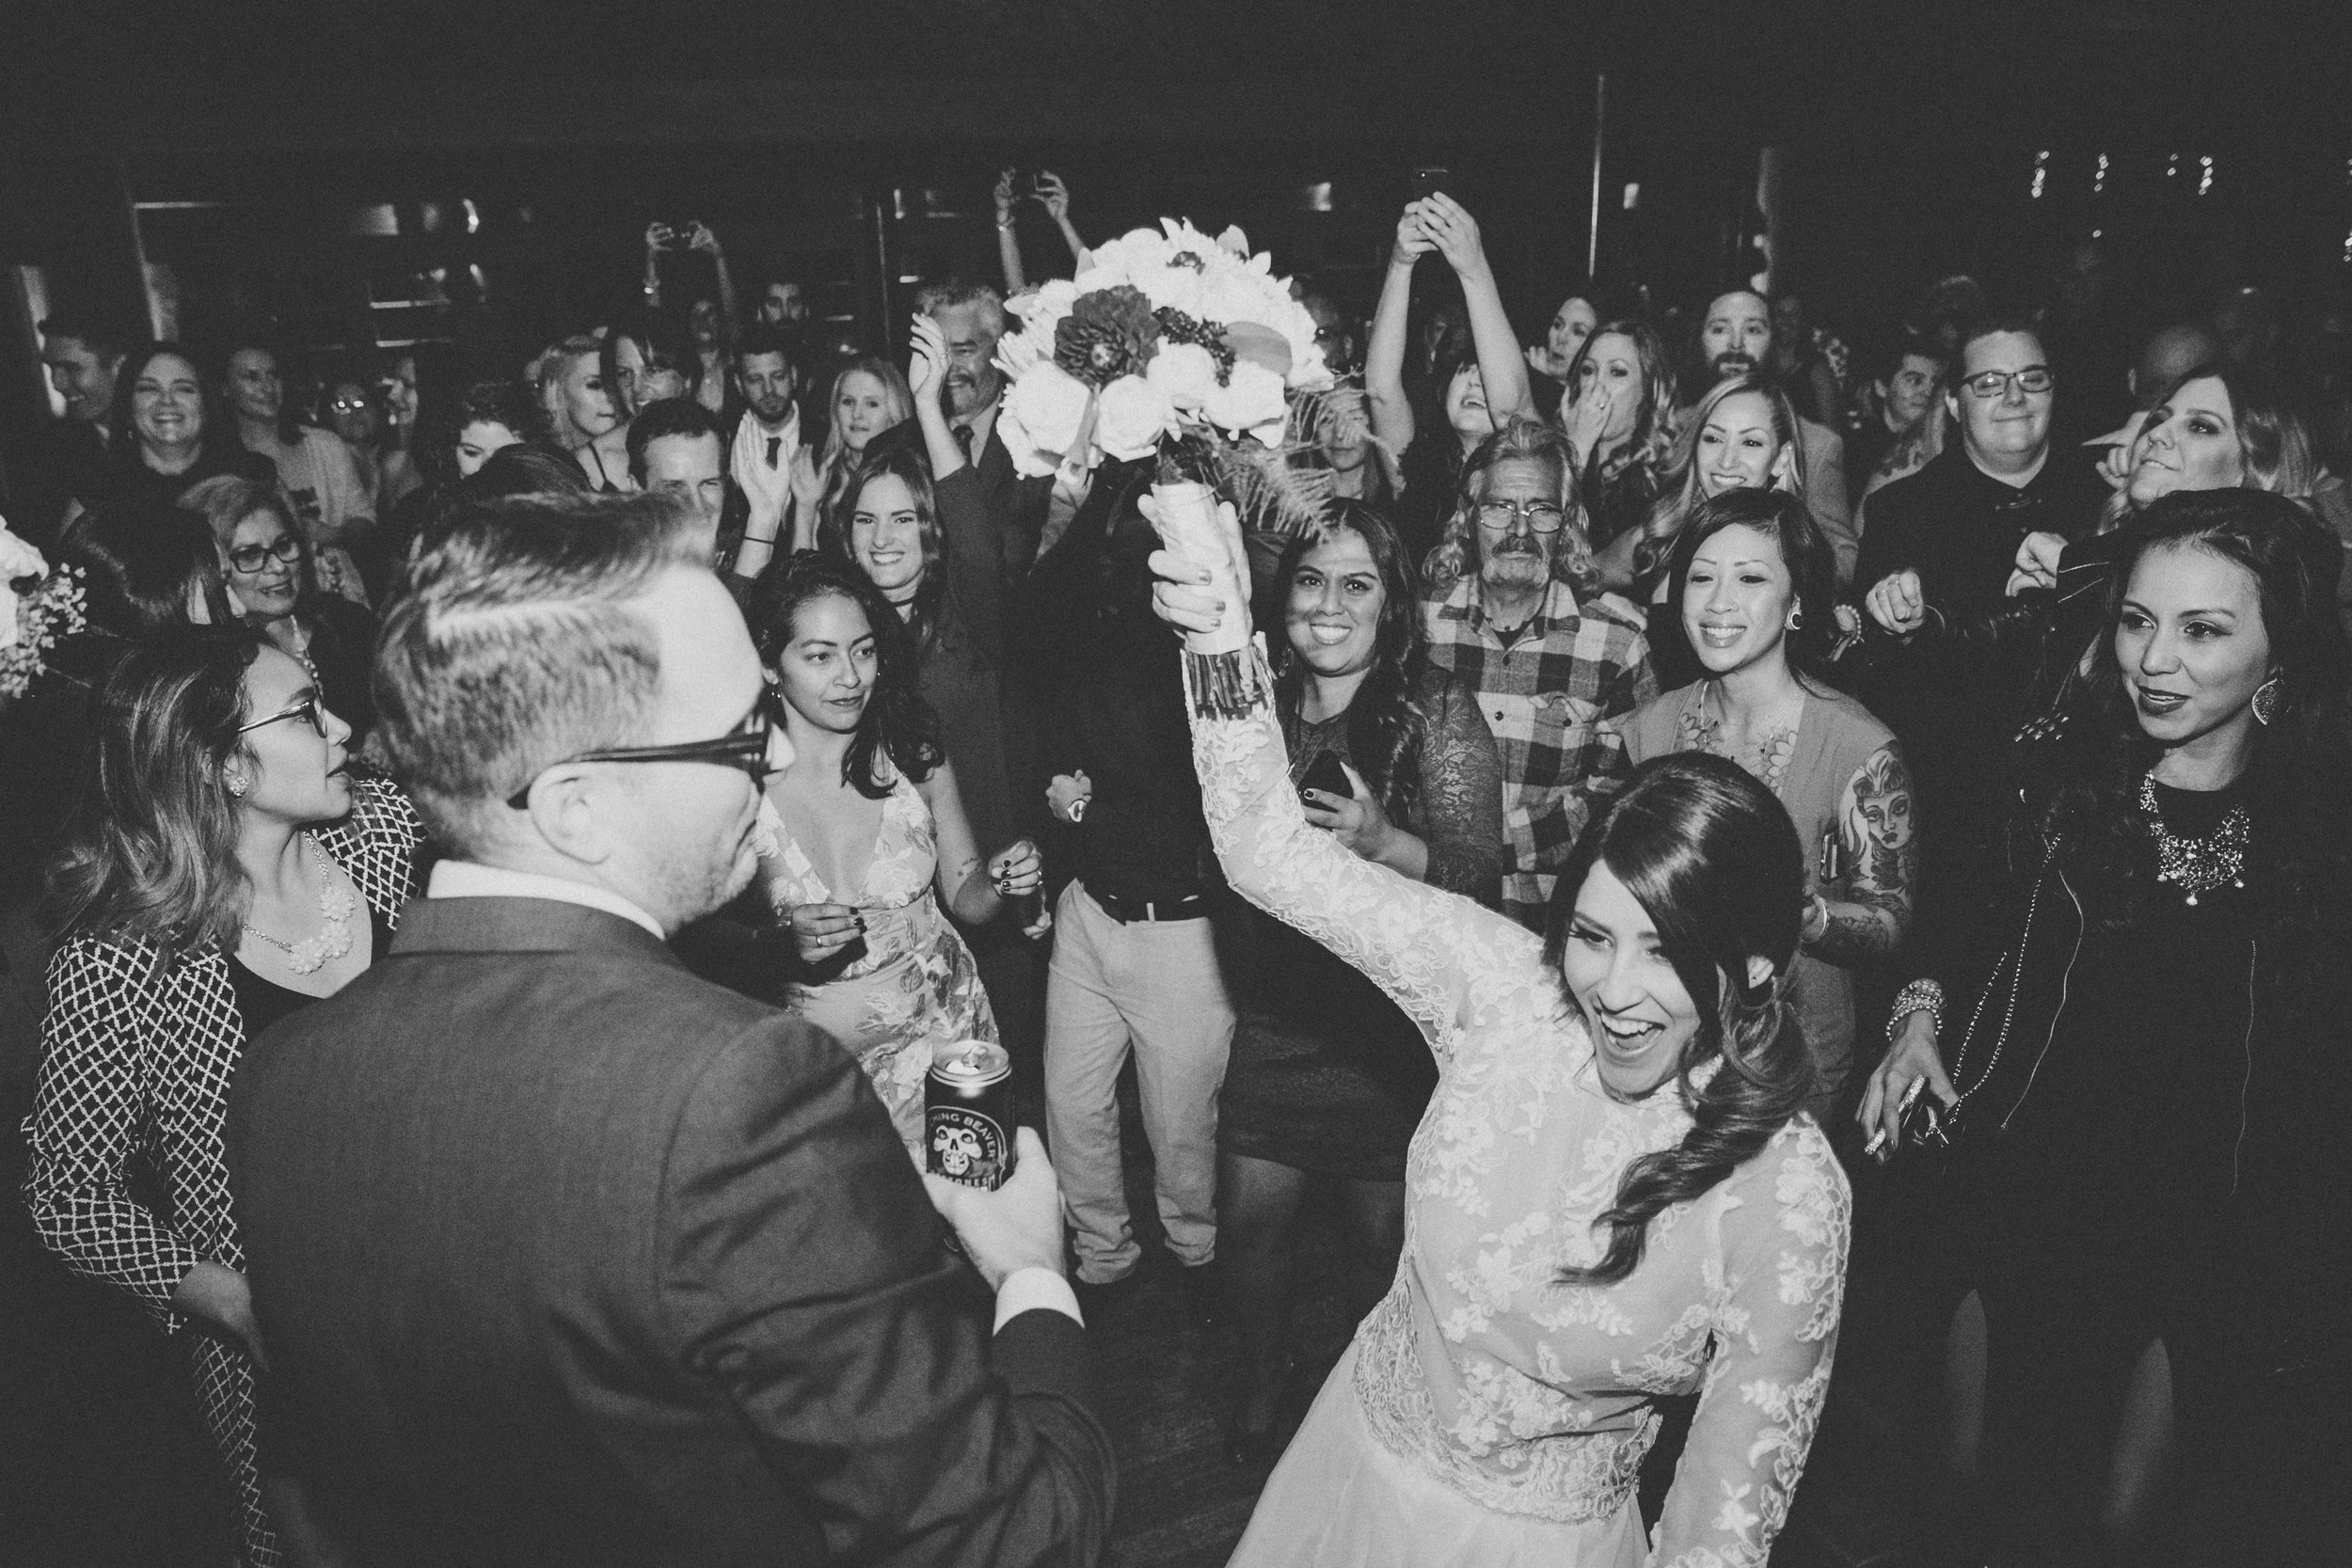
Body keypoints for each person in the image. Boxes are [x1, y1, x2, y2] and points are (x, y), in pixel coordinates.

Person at [226, 493, 1112, 1565]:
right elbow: (1009, 1536)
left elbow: (327, 1492)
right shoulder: (740, 1091)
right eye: (741, 731)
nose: (775, 756)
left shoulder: (281, 1079)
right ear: (575, 805)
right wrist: (1032, 1276)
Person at [1147, 508, 1850, 1565]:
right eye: (1593, 936)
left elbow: (1720, 1525)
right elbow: (1268, 854)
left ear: (1752, 963)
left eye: (1664, 952)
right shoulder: (1509, 992)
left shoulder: (1787, 1193)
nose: (1613, 990)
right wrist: (1213, 632)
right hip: (1352, 1464)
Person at [1860, 489, 2352, 1563]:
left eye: (2202, 629)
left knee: (2125, 1530)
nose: (2154, 660)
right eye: (2137, 620)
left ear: (2280, 652)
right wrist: (1917, 1019)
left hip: (2205, 1238)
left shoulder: (2317, 833)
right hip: (2018, 1198)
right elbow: (1951, 923)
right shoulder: (2055, 775)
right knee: (1966, 1497)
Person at [23, 626, 423, 1568]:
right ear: (224, 764)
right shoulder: (123, 958)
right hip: (291, 1358)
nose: (343, 727)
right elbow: (68, 1197)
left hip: (450, 1293)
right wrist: (238, 1304)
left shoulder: (386, 834)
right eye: (306, 712)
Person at [1211, 499, 1504, 1466]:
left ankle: (1365, 1410)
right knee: (1249, 1226)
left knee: (1377, 1247)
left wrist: (1384, 841)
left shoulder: (1435, 707)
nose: (1328, 604)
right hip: (1277, 1012)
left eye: (1355, 583)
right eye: (1310, 580)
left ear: (1391, 602)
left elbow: (1477, 876)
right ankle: (1262, 1374)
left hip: (1384, 1031)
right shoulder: (1253, 705)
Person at [1614, 489, 1913, 1107]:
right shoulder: (1647, 731)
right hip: (1662, 1052)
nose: (1719, 602)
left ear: (1797, 603)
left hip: (1793, 1075)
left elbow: (1889, 922)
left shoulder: (1857, 746)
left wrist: (1807, 916)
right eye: (1701, 577)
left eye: (1750, 578)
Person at [1025, 460, 1234, 1321]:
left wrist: (1085, 809)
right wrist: (1066, 804)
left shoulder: (1215, 661)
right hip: (1089, 912)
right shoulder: (1093, 636)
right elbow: (1056, 748)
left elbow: (1186, 824)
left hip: (1181, 937)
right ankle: (1102, 1261)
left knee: (1181, 1136)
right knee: (1072, 1108)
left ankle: (1198, 1264)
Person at [751, 559, 1040, 1152]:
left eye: (863, 651)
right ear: (769, 665)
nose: (850, 677)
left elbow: (966, 897)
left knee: (976, 1198)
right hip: (819, 1076)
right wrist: (778, 945)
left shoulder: (912, 754)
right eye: (820, 656)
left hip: (949, 1039)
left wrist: (1001, 879)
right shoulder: (737, 790)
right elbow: (699, 948)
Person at [1853, 318, 2112, 958]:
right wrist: (1896, 628)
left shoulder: (2109, 495)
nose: (2014, 396)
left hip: (2098, 794)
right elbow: (1871, 682)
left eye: (2032, 378)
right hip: (1957, 810)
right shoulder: (1901, 511)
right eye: (1990, 382)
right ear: (1952, 401)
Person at [1421, 419, 1653, 928]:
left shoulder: (1617, 647)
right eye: (1500, 508)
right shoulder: (1418, 629)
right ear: (1469, 518)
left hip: (1549, 930)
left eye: (1542, 510)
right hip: (1423, 919)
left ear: (1566, 525)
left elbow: (1619, 804)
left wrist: (1475, 847)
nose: (1520, 531)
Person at [1609, 373, 1808, 691]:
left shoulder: (1796, 551)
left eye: (1751, 442)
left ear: (1781, 458)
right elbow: (1574, 576)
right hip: (1659, 717)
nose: (1727, 461)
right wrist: (1609, 616)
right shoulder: (1660, 535)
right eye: (1713, 439)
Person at [1366, 194, 1538, 562]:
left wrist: (1473, 268)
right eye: (1462, 368)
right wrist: (1400, 263)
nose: (1475, 382)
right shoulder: (1414, 471)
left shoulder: (1536, 466)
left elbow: (1510, 408)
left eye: (1484, 374)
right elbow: (1381, 391)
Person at [183, 474, 379, 744]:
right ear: (212, 569)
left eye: (283, 545)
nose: (278, 567)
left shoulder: (351, 626)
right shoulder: (213, 672)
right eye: (250, 555)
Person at [1692, 289, 1858, 582]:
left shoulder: (1816, 446)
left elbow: (1844, 562)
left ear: (1775, 340)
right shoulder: (1670, 431)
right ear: (1699, 340)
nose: (1736, 344)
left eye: (1753, 329)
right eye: (1720, 329)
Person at [915, 278, 1054, 579]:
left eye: (964, 350)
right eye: (936, 351)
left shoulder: (1043, 442)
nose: (947, 367)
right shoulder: (896, 447)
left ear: (999, 349)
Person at [69, 343, 276, 543]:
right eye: (148, 389)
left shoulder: (255, 478)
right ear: (128, 407)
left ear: (206, 404)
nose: (167, 400)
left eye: (184, 389)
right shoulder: (96, 496)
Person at [221, 338, 374, 605]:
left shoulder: (325, 445)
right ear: (225, 388)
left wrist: (333, 534)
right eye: (252, 377)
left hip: (335, 592)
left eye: (273, 375)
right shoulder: (221, 461)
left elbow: (366, 520)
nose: (267, 386)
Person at [1557, 317, 1678, 553]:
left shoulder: (1660, 482)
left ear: (1648, 391)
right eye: (1588, 370)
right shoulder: (1549, 453)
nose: (1596, 385)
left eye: (1617, 372)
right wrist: (1575, 448)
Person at [789, 356, 914, 555]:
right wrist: (806, 506)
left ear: (894, 413)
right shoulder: (822, 480)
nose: (857, 414)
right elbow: (801, 570)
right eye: (848, 402)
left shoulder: (911, 480)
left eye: (871, 404)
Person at [33, 309, 130, 547]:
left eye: (71, 368)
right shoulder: (51, 454)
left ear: (120, 366)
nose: (57, 383)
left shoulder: (167, 436)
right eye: (52, 368)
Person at [726, 322, 803, 583]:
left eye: (778, 376)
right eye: (755, 379)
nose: (768, 390)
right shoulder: (725, 442)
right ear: (739, 384)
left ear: (794, 375)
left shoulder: (825, 438)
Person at [625, 395, 730, 568]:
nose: (697, 504)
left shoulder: (741, 557)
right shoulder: (618, 575)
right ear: (637, 490)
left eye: (709, 483)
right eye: (675, 487)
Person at [1845, 334, 1947, 499]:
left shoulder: (1936, 441)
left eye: (1935, 383)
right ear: (1881, 387)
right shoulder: (1858, 452)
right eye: (1915, 381)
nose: (1928, 392)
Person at [534, 333, 631, 494]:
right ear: (557, 392)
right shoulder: (539, 466)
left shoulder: (638, 456)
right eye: (595, 385)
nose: (610, 397)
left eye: (615, 384)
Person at [993, 167, 1089, 294]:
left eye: (1013, 176)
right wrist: (1003, 214)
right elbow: (1017, 294)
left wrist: (1063, 220)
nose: (1011, 183)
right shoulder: (1000, 224)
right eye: (1005, 179)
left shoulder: (1081, 211)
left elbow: (1096, 277)